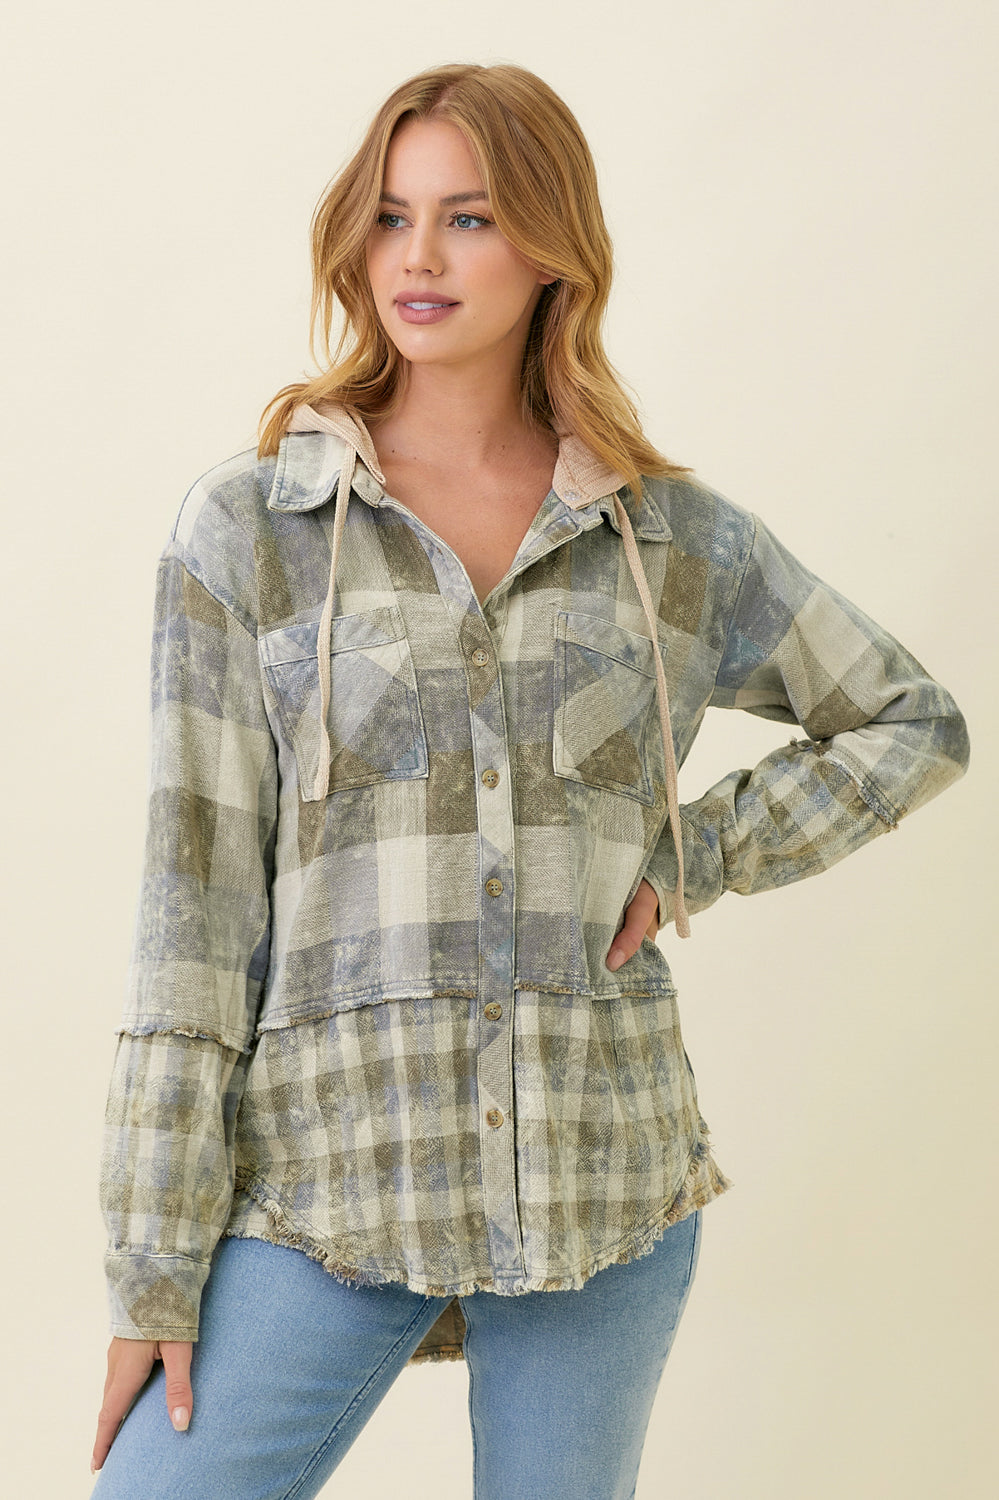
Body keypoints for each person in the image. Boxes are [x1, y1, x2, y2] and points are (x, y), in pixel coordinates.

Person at [90, 61, 969, 1499]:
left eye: (469, 218)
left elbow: (908, 721)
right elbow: (192, 925)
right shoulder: (253, 530)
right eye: (390, 218)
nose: (418, 259)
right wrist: (153, 1264)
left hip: (602, 1186)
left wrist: (697, 854)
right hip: (329, 1186)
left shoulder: (671, 541)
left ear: (553, 246)